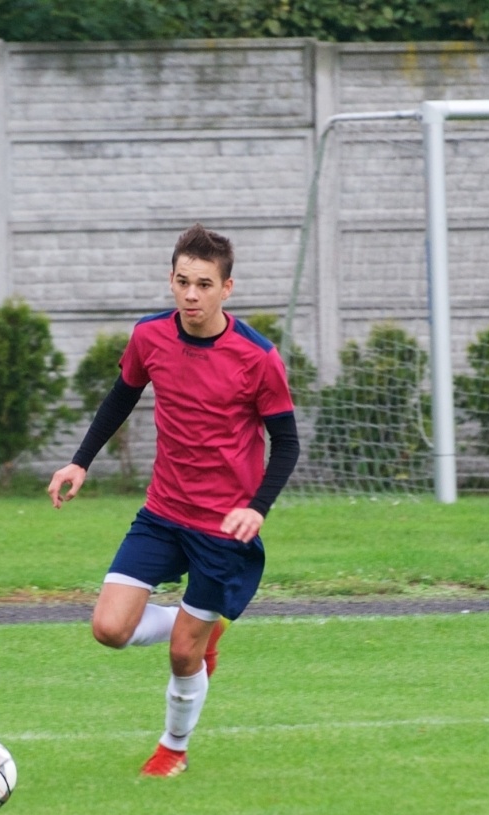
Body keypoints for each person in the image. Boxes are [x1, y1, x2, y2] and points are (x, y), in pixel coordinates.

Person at [47, 224, 298, 777]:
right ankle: (201, 622)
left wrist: (257, 506)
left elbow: (288, 443)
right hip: (162, 514)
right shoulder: (150, 337)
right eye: (182, 282)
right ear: (171, 280)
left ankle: (172, 749)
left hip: (222, 529)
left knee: (184, 653)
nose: (191, 295)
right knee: (108, 630)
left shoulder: (257, 358)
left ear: (227, 288)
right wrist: (79, 461)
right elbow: (121, 397)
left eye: (204, 284)